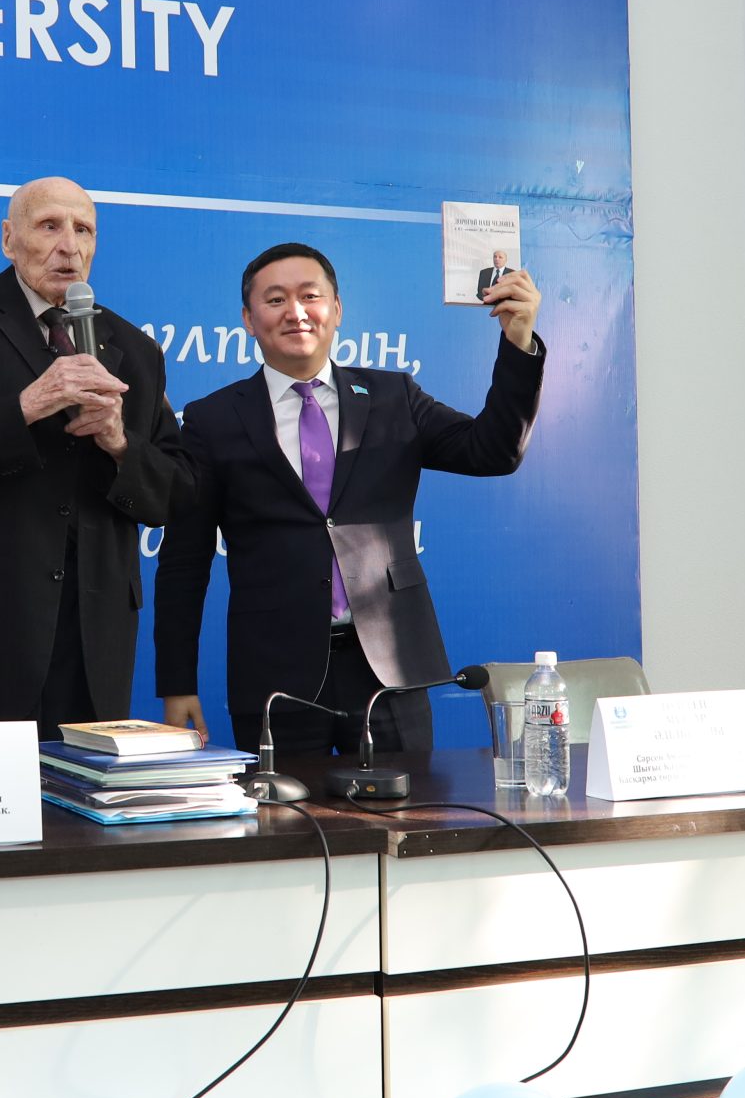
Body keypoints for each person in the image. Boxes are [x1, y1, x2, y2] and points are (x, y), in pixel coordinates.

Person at [154, 242, 543, 757]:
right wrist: (177, 684)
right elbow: (184, 561)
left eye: (310, 296)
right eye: (275, 300)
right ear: (248, 319)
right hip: (275, 679)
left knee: (410, 809)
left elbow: (493, 451)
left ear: (336, 310)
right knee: (283, 811)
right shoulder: (212, 419)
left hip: (391, 671)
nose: (296, 312)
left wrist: (518, 341)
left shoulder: (393, 396)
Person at [0, 177, 189, 731]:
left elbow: (175, 496)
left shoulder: (136, 350)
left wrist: (119, 443)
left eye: (83, 230)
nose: (69, 245)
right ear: (8, 238)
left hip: (93, 653)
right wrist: (24, 407)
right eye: (49, 226)